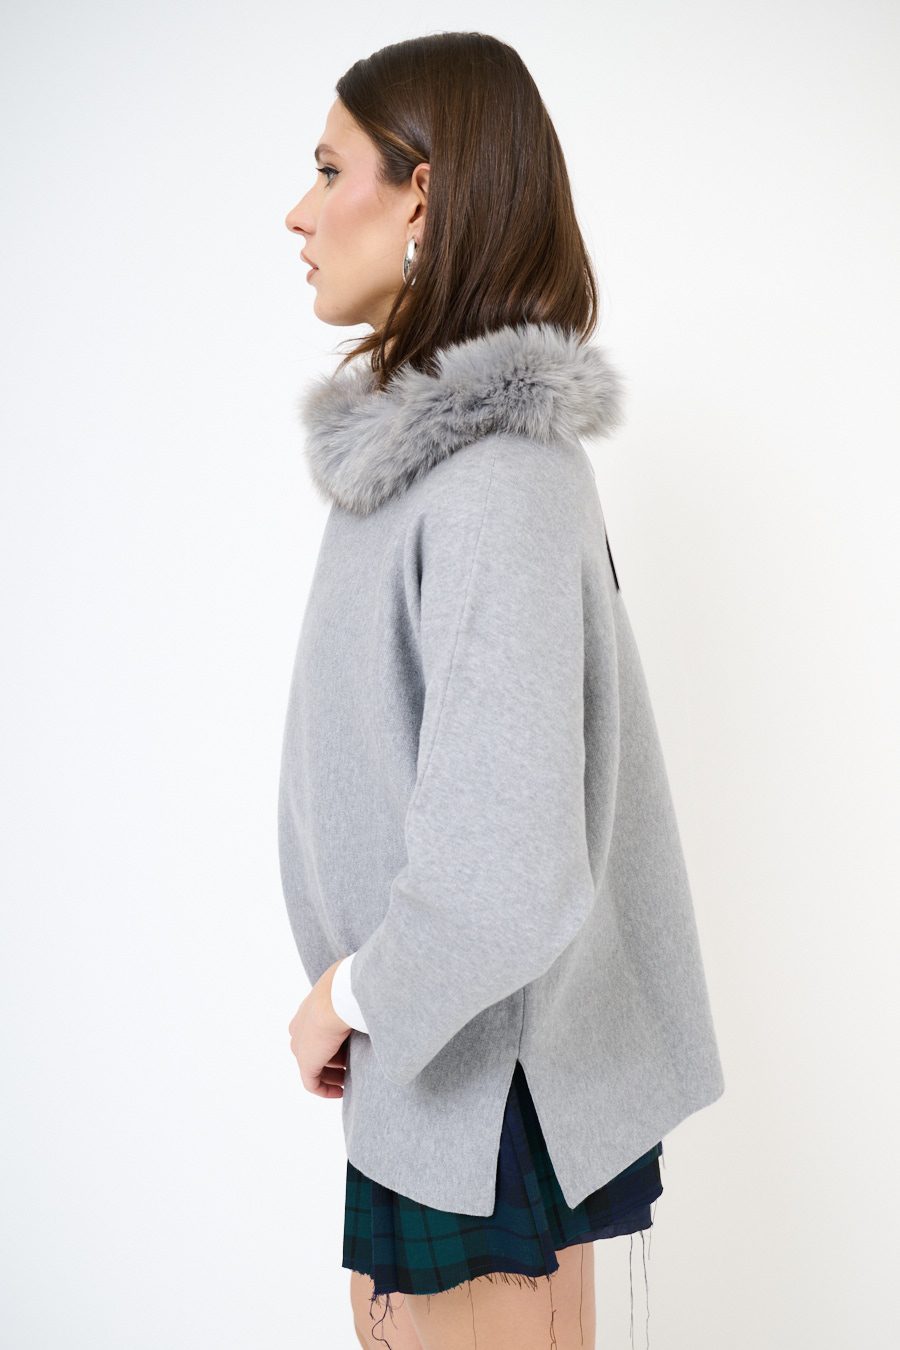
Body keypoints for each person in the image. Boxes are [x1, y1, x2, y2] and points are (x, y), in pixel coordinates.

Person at [280, 31, 725, 1350]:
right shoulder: (439, 470)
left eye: (329, 170)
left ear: (421, 195)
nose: (298, 212)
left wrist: (348, 998)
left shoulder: (498, 480)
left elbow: (509, 871)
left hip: (489, 1089)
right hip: (444, 1079)